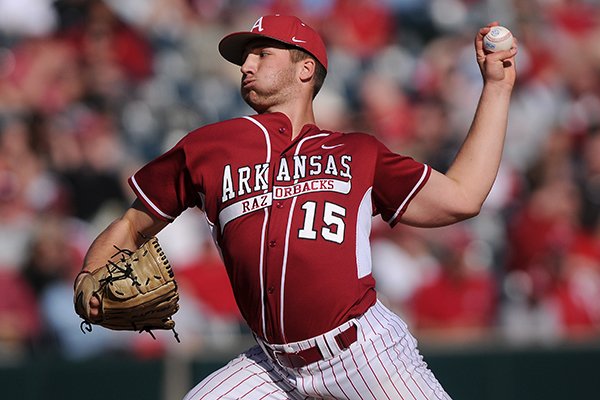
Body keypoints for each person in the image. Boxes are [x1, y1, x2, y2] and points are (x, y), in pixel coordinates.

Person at [75, 14, 517, 399]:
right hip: (274, 367)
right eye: (244, 58)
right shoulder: (210, 147)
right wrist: (90, 275)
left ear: (306, 68)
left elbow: (463, 196)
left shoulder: (357, 152)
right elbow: (132, 224)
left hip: (364, 354)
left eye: (262, 54)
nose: (246, 65)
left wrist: (496, 88)